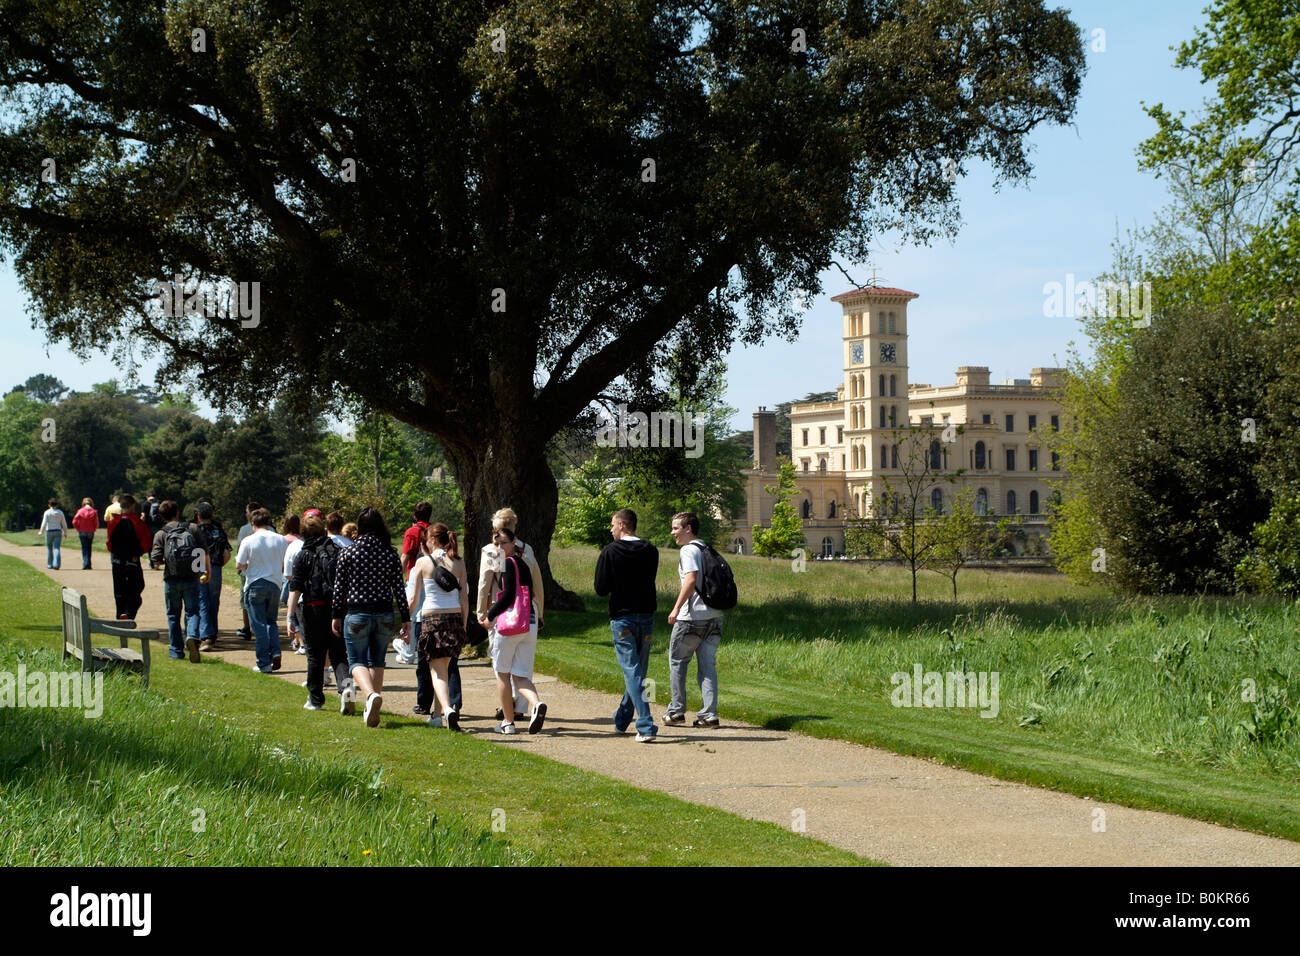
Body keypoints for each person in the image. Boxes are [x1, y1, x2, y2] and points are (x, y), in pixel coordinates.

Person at [331, 507, 411, 727]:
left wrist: (336, 614)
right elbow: (399, 588)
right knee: (378, 660)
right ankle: (372, 706)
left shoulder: (348, 552)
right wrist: (406, 617)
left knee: (356, 660)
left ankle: (369, 696)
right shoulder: (389, 553)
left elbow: (340, 588)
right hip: (384, 613)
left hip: (357, 612)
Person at [594, 508, 659, 742]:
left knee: (632, 670)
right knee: (639, 671)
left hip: (623, 615)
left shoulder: (610, 552)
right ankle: (622, 718)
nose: (611, 529)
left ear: (622, 525)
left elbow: (600, 589)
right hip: (647, 615)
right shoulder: (651, 551)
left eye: (613, 524)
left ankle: (645, 725)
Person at [476, 507, 543, 719]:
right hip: (527, 608)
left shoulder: (492, 550)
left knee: (501, 662)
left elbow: (485, 583)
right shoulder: (526, 549)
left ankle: (508, 707)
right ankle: (522, 705)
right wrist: (540, 610)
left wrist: (482, 612)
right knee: (524, 662)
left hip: (502, 610)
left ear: (496, 527)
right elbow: (537, 581)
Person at [287, 514, 352, 711]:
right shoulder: (338, 551)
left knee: (315, 655)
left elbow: (295, 588)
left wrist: (290, 616)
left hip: (312, 608)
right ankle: (347, 689)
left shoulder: (303, 555)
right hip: (337, 607)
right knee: (339, 653)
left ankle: (315, 699)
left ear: (303, 534)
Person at [664, 512, 722, 728]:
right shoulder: (707, 548)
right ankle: (710, 715)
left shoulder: (688, 550)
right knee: (707, 666)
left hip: (692, 617)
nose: (673, 533)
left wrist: (676, 608)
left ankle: (676, 711)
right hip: (714, 616)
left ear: (688, 529)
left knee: (678, 662)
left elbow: (690, 579)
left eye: (676, 528)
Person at [408, 523, 468, 730]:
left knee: (437, 671)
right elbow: (464, 599)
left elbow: (414, 598)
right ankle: (436, 715)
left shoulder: (423, 562)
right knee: (445, 667)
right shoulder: (459, 563)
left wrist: (406, 621)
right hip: (454, 618)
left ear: (432, 540)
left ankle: (448, 709)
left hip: (432, 618)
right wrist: (464, 624)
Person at [149, 500, 209, 662]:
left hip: (172, 579)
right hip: (192, 577)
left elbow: (155, 559)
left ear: (161, 516)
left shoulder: (161, 533)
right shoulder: (193, 528)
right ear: (177, 511)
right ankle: (192, 636)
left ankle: (176, 650)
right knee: (193, 611)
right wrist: (206, 571)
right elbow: (203, 551)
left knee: (173, 615)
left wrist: (168, 561)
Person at [236, 507, 288, 673]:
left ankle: (263, 662)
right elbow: (284, 563)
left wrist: (247, 567)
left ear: (253, 523)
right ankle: (275, 651)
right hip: (274, 583)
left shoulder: (248, 540)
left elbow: (239, 564)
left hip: (255, 583)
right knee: (271, 621)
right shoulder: (280, 540)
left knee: (258, 625)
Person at [394, 502, 433, 664]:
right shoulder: (434, 531)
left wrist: (397, 577)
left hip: (414, 575)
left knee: (411, 614)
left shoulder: (412, 531)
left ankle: (408, 652)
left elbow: (406, 556)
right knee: (426, 614)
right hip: (432, 577)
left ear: (414, 516)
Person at [193, 501, 231, 651]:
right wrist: (218, 566)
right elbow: (227, 553)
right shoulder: (219, 531)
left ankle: (205, 636)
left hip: (199, 567)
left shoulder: (194, 531)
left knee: (202, 601)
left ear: (198, 515)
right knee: (214, 601)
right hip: (215, 567)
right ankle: (213, 634)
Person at [106, 494, 151, 619]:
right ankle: (129, 612)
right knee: (136, 587)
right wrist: (139, 552)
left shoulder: (112, 523)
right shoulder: (137, 523)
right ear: (132, 506)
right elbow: (146, 542)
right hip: (133, 560)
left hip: (117, 559)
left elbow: (109, 543)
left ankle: (120, 614)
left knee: (119, 590)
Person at [234, 500, 261, 638]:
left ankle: (247, 627)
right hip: (265, 569)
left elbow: (239, 549)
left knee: (245, 600)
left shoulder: (244, 529)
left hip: (248, 569)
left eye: (246, 511)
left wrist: (240, 566)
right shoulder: (271, 529)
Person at [281, 513, 306, 655]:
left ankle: (299, 639)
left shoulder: (284, 540)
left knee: (293, 608)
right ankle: (298, 640)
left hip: (290, 576)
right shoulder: (301, 541)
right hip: (300, 576)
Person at [37, 498, 68, 570]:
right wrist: (65, 532)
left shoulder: (47, 512)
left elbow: (44, 523)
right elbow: (64, 524)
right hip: (58, 531)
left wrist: (41, 531)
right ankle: (56, 564)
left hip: (49, 532)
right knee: (57, 548)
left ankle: (49, 565)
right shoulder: (60, 512)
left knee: (49, 548)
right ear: (57, 505)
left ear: (49, 505)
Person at [72, 497, 100, 570]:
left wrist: (78, 528)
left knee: (84, 548)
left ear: (83, 503)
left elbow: (74, 521)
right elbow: (96, 523)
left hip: (82, 531)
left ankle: (85, 563)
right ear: (91, 503)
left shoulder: (80, 511)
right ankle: (89, 564)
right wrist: (94, 529)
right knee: (89, 547)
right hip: (91, 531)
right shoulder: (94, 511)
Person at [143, 493, 163, 568]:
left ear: (147, 496)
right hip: (159, 527)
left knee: (150, 546)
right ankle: (158, 562)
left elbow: (143, 516)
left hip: (149, 527)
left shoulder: (145, 504)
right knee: (159, 544)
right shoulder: (159, 503)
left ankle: (152, 563)